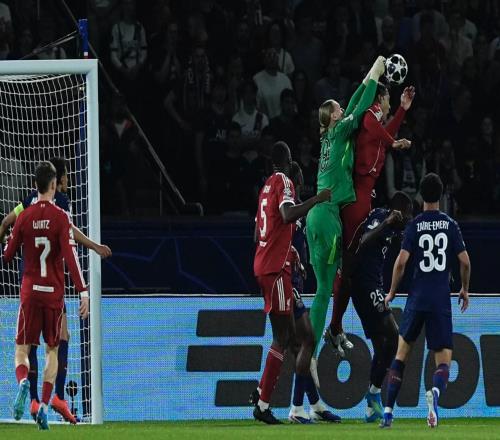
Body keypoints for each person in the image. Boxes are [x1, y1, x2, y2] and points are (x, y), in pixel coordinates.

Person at [0, 157, 111, 423]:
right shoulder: (61, 212)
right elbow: (70, 251)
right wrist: (83, 290)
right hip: (53, 292)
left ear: (35, 184)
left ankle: (28, 388)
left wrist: (4, 240)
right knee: (55, 346)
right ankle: (48, 400)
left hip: (29, 289)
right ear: (54, 183)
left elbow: (7, 244)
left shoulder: (25, 211)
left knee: (24, 348)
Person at [306, 55, 386, 387]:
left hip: (314, 216)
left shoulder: (329, 136)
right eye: (339, 109)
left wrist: (370, 73)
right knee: (326, 289)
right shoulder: (340, 131)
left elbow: (353, 102)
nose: (343, 109)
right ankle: (312, 354)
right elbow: (362, 104)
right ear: (334, 117)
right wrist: (375, 75)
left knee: (323, 288)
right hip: (327, 218)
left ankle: (318, 348)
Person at [325, 83, 414, 356]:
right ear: (381, 98)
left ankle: (336, 326)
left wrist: (402, 110)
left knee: (350, 269)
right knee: (347, 266)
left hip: (364, 196)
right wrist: (393, 142)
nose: (389, 106)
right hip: (356, 198)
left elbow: (384, 133)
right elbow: (372, 124)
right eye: (389, 101)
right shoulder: (370, 115)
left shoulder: (378, 128)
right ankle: (334, 326)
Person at [381, 173, 471, 428]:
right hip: (440, 299)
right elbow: (465, 261)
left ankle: (387, 412)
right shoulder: (450, 225)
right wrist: (464, 289)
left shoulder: (414, 225)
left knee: (401, 355)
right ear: (441, 195)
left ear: (420, 195)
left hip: (417, 297)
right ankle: (436, 395)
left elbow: (401, 262)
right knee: (443, 360)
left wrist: (392, 291)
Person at [252, 142, 330, 424]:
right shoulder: (283, 182)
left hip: (269, 265)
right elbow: (287, 215)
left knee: (299, 339)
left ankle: (309, 404)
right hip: (276, 270)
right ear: (287, 159)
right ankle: (263, 403)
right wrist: (316, 200)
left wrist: (289, 251)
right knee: (284, 338)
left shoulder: (265, 188)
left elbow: (260, 233)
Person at [350, 192, 413, 423]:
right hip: (365, 285)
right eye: (408, 214)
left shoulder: (396, 229)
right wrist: (387, 222)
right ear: (398, 211)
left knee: (381, 348)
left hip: (370, 285)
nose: (409, 219)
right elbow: (364, 240)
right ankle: (374, 394)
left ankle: (370, 408)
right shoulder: (380, 216)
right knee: (395, 339)